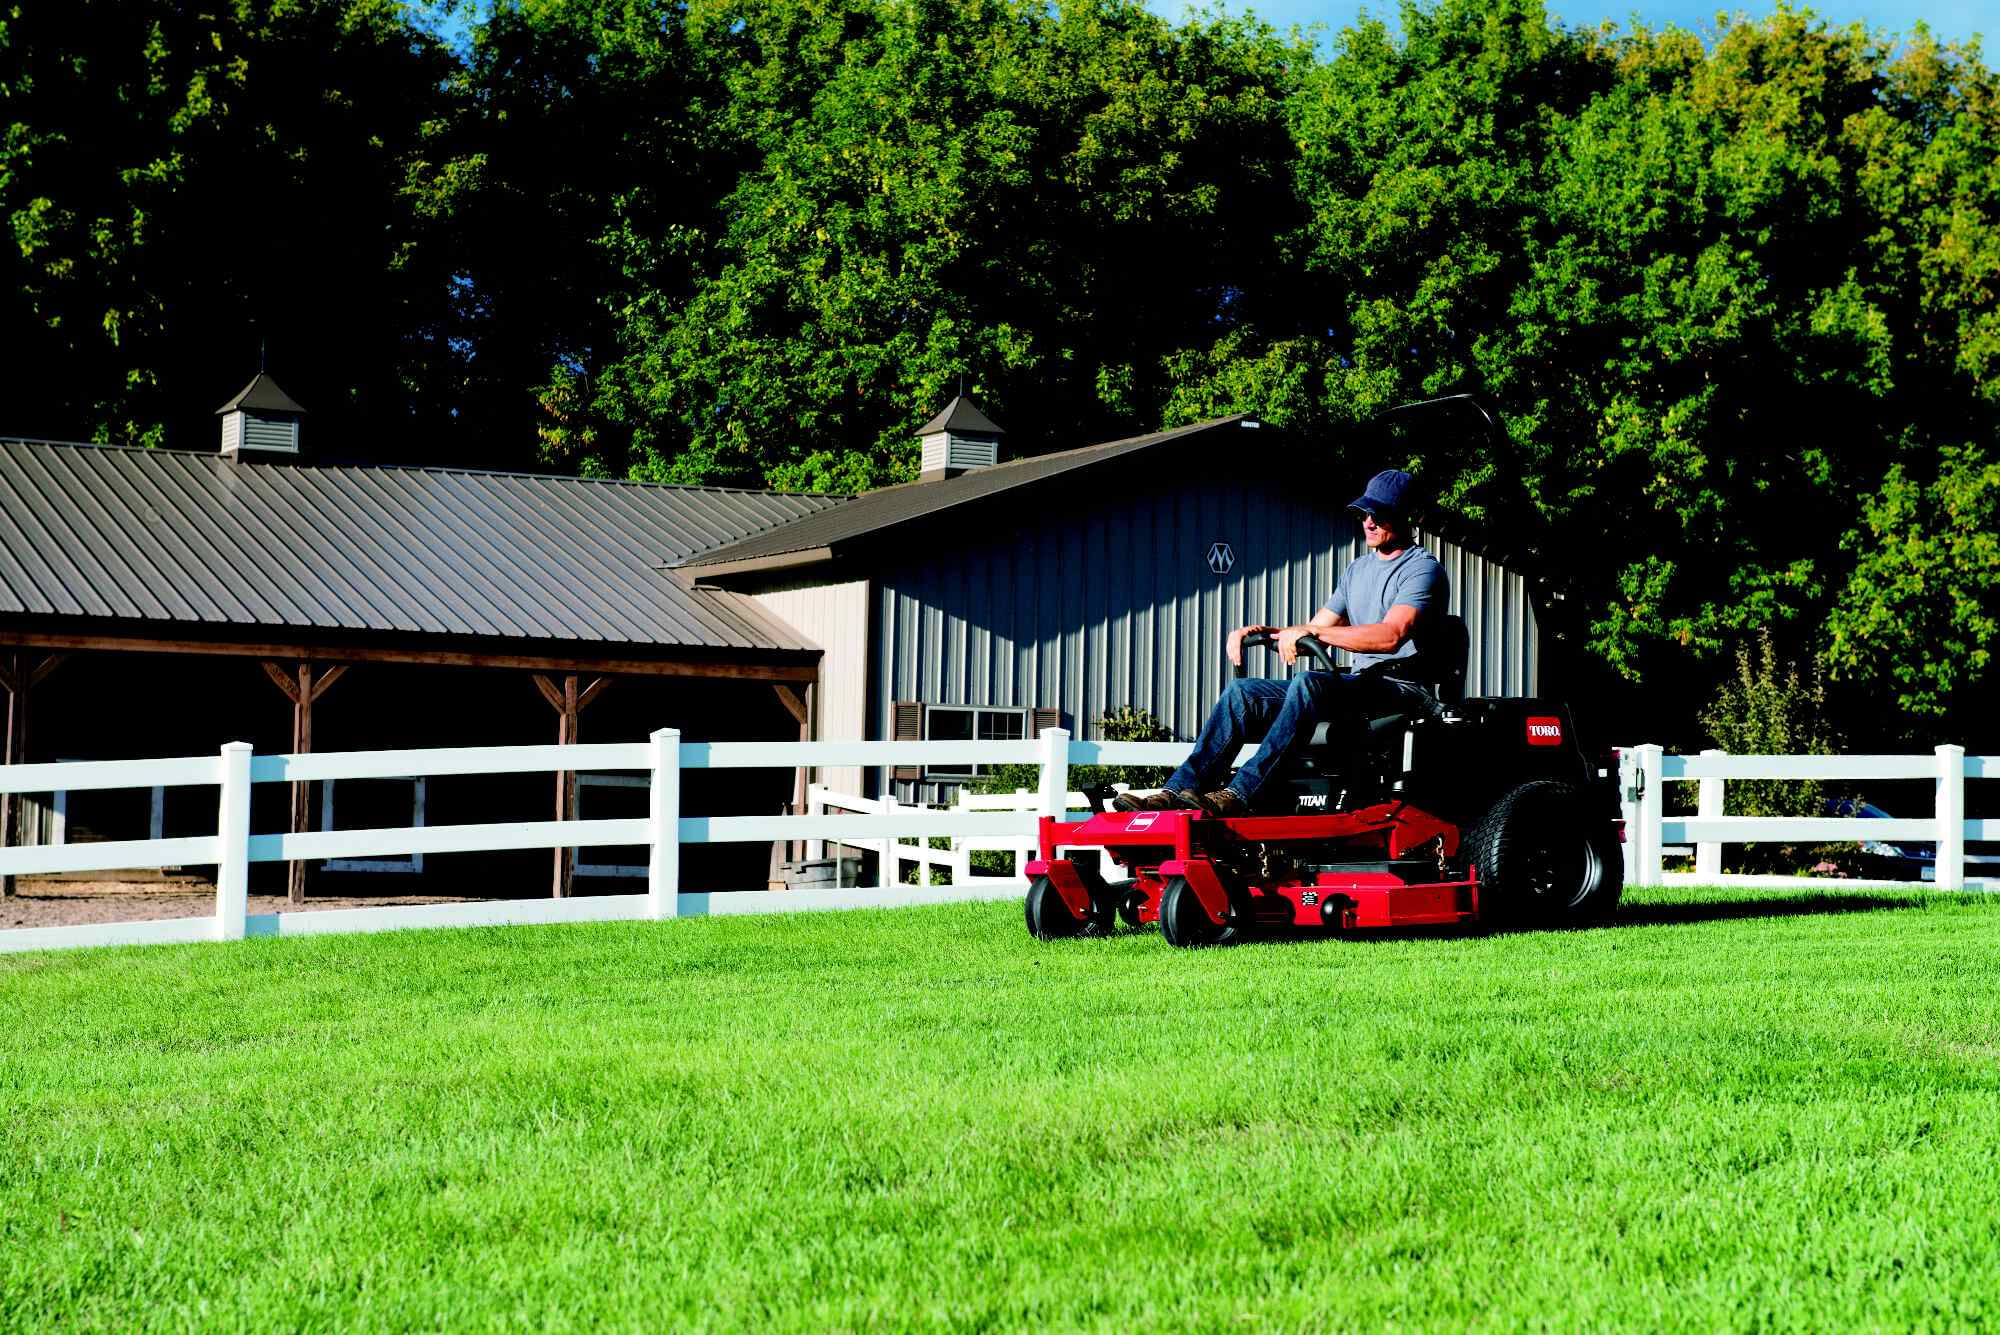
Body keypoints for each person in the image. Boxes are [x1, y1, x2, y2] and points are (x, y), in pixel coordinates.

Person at [1116, 469, 1451, 817]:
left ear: (1407, 516)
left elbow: (1391, 635)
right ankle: (1178, 790)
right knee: (1242, 693)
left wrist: (1311, 634)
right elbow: (1316, 627)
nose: (1368, 521)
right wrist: (1267, 633)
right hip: (1361, 686)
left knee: (1310, 683)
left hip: (1403, 690)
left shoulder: (1422, 569)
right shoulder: (1357, 570)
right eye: (1364, 513)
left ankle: (1241, 793)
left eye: (1378, 514)